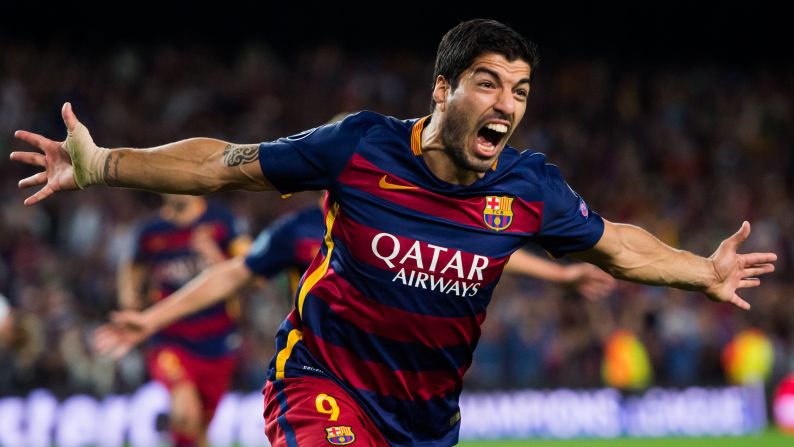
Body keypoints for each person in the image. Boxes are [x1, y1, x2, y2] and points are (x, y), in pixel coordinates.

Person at [10, 18, 776, 447]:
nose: (508, 103)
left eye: (521, 89)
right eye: (488, 82)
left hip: (426, 421)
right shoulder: (361, 146)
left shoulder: (528, 186)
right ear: (442, 90)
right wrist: (107, 162)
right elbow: (224, 166)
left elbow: (616, 243)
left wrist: (699, 272)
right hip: (323, 388)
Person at [95, 196, 614, 360]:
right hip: (323, 364)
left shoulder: (408, 219)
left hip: (400, 374)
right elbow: (235, 273)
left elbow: (487, 254)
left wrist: (559, 275)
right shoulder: (296, 229)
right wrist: (150, 316)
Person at [119, 193, 248, 447]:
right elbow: (132, 265)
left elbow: (246, 274)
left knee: (197, 428)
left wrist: (212, 255)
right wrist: (129, 298)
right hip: (170, 339)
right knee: (185, 407)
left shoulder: (222, 221)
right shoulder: (150, 231)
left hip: (218, 342)